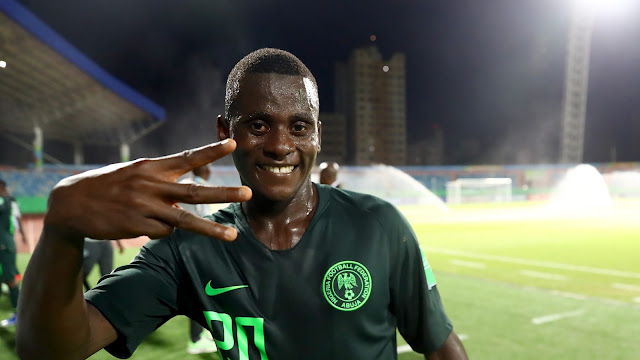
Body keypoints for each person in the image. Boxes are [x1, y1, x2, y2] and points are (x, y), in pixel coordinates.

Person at [17, 48, 468, 359]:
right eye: (257, 125)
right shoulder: (190, 249)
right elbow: (51, 350)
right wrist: (61, 232)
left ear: (317, 135)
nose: (280, 145)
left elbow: (440, 345)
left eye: (298, 126)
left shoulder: (379, 226)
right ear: (224, 131)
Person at [178, 165, 219, 355]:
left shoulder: (190, 184)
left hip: (190, 245)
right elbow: (203, 217)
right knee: (199, 292)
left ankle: (202, 333)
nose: (210, 171)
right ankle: (194, 342)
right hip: (195, 246)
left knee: (203, 292)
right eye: (208, 168)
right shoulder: (196, 186)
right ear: (204, 171)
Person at [0, 179, 27, 327]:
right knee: (5, 278)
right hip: (5, 244)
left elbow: (16, 219)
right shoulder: (8, 201)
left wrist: (22, 234)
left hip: (4, 245)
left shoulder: (5, 201)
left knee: (10, 279)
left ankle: (19, 313)